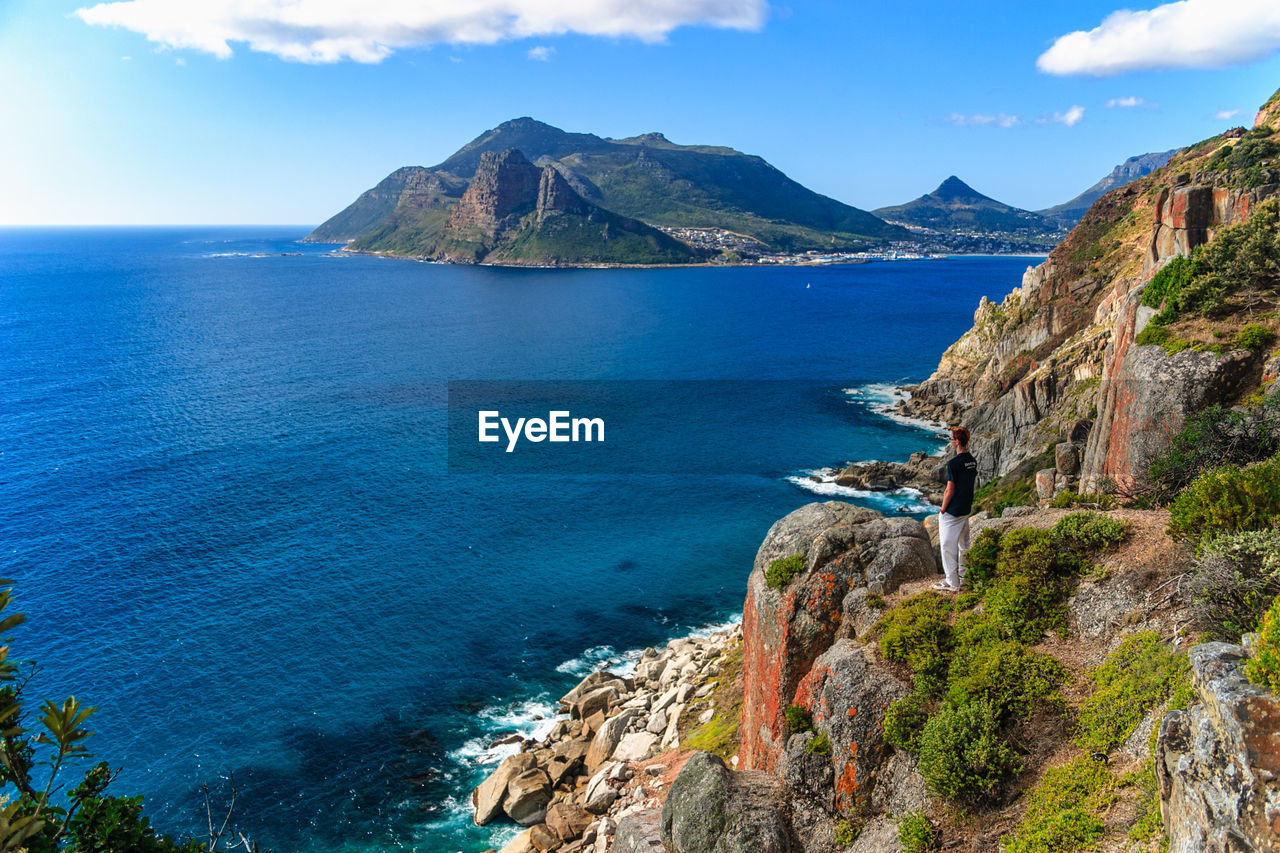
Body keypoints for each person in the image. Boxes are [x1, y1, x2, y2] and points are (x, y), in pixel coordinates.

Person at [934, 426, 978, 592]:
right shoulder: (972, 460)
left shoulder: (953, 464)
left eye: (952, 439)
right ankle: (963, 577)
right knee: (963, 544)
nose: (951, 442)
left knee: (947, 546)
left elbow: (949, 490)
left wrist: (943, 509)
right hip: (966, 508)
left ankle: (952, 583)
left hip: (952, 511)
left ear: (958, 441)